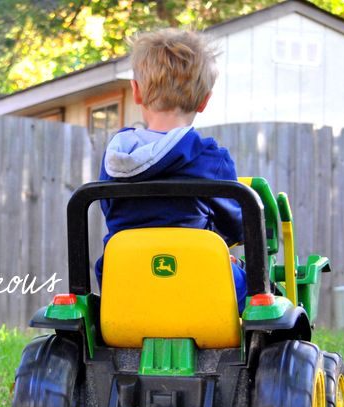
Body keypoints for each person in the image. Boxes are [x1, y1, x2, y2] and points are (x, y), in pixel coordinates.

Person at [95, 28, 246, 313]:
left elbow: (110, 209)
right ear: (205, 100)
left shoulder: (116, 158)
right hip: (200, 286)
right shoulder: (212, 159)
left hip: (124, 284)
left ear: (136, 92)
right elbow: (236, 226)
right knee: (263, 292)